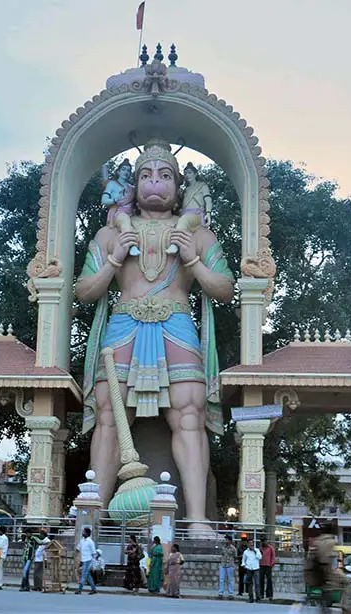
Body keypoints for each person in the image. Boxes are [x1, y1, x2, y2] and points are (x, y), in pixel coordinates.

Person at [77, 138, 235, 537]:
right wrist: (115, 258)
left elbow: (224, 288)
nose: (155, 182)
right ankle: (92, 519)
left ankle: (197, 519)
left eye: (165, 175)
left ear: (179, 186)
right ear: (133, 185)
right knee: (110, 418)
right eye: (146, 174)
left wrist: (193, 260)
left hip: (177, 324)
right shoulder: (109, 234)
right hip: (125, 323)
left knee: (189, 416)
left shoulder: (199, 235)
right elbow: (84, 291)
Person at [75, 527, 98, 595]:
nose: (82, 533)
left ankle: (80, 589)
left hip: (88, 560)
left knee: (84, 575)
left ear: (87, 533)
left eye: (84, 532)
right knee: (87, 575)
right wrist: (76, 556)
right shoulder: (82, 540)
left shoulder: (90, 542)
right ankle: (93, 589)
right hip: (83, 559)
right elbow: (78, 548)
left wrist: (93, 563)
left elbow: (93, 553)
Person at [218, 534, 238, 600]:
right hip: (223, 565)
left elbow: (235, 556)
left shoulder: (233, 548)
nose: (225, 541)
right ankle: (220, 593)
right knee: (221, 579)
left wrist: (233, 563)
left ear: (230, 540)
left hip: (230, 565)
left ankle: (231, 593)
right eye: (225, 539)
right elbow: (221, 554)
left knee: (230, 580)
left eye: (227, 539)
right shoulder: (223, 547)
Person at [242, 539, 262, 603]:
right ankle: (251, 598)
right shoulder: (245, 552)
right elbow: (243, 560)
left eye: (252, 543)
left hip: (256, 568)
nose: (251, 544)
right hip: (249, 569)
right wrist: (244, 565)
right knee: (250, 584)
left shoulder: (257, 550)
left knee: (257, 583)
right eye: (250, 543)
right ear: (247, 544)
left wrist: (255, 551)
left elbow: (260, 557)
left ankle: (258, 598)